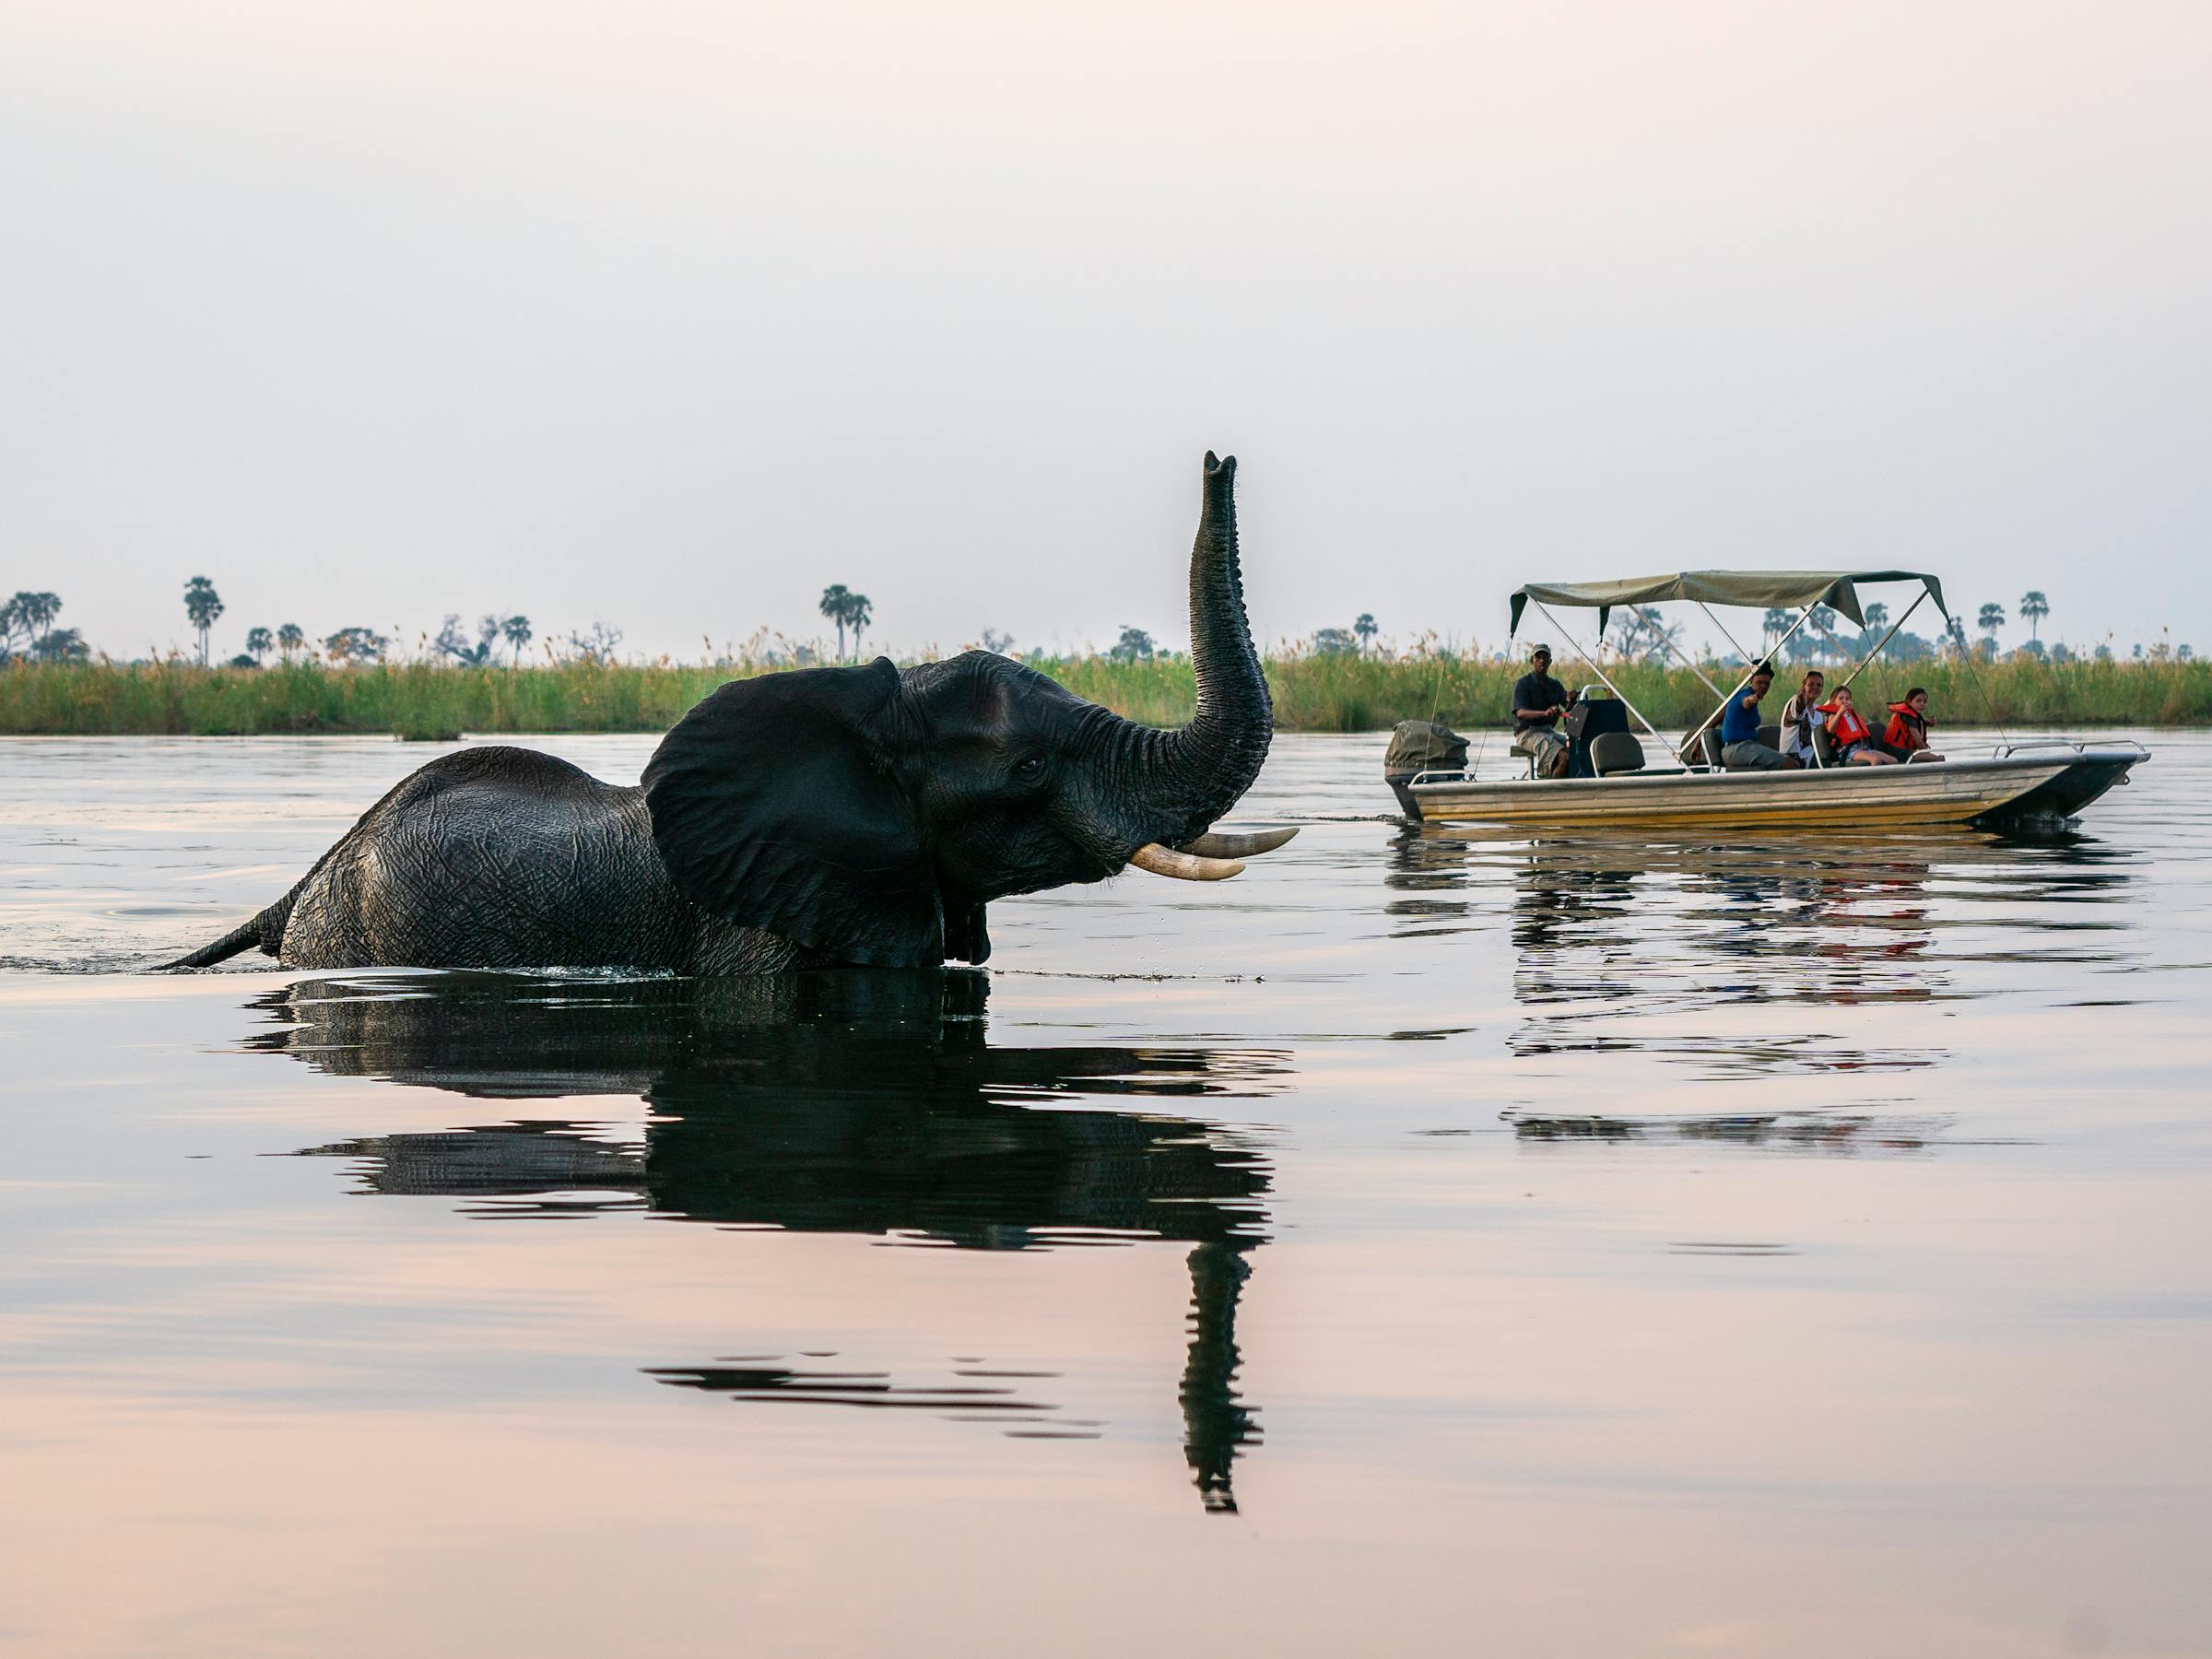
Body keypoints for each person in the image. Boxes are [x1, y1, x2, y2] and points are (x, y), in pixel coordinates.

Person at [1716, 662, 1794, 771]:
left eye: (1767, 684)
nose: (1763, 686)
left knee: (1789, 759)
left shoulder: (1736, 698)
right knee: (1790, 764)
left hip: (1746, 748)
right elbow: (1747, 702)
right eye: (1759, 682)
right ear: (1750, 680)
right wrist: (1753, 699)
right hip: (1737, 749)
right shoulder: (1744, 695)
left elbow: (1718, 717)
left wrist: (1698, 743)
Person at [1511, 643, 1572, 779]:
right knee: (1564, 757)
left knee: (1575, 750)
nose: (1542, 660)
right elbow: (1520, 713)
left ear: (1550, 661)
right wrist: (1544, 713)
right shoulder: (1522, 684)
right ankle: (1552, 791)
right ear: (1532, 660)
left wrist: (1571, 699)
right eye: (1538, 657)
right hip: (1527, 733)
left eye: (1545, 657)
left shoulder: (1555, 685)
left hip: (1548, 731)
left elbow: (1568, 707)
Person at [1816, 685, 1897, 764]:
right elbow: (1830, 729)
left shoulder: (1851, 715)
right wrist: (1839, 712)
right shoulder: (1833, 714)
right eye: (1841, 698)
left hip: (1862, 748)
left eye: (1847, 698)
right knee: (1875, 760)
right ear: (1833, 702)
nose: (1844, 700)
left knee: (1893, 760)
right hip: (1847, 750)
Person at [1778, 669, 1826, 766]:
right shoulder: (1795, 702)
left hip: (1810, 754)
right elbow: (1799, 706)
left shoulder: (1818, 710)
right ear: (1804, 686)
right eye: (1811, 684)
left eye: (1818, 685)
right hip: (1792, 757)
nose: (1815, 687)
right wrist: (1801, 696)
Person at [1883, 688, 1943, 761]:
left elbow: (1919, 721)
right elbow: (1918, 742)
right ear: (1909, 702)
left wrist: (1929, 722)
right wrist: (1928, 754)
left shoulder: (1911, 714)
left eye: (1924, 702)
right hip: (1896, 751)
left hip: (1900, 750)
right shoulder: (1909, 717)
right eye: (1918, 701)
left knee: (1930, 757)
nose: (1922, 704)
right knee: (1937, 758)